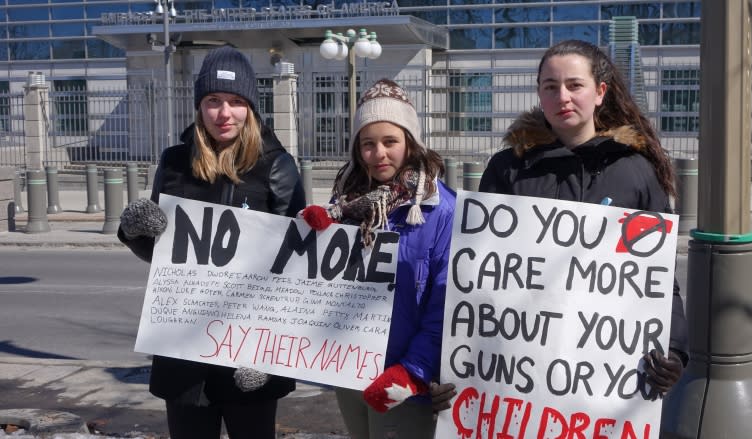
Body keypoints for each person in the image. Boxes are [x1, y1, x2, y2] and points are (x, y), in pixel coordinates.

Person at [432, 39, 688, 409]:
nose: (562, 97)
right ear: (539, 94)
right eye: (550, 87)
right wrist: (450, 360)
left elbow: (659, 280)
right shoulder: (507, 168)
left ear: (600, 93)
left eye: (574, 85)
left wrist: (674, 351)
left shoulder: (636, 172)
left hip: (602, 378)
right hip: (519, 370)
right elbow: (474, 275)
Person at [117, 45, 305, 439]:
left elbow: (298, 269)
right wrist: (136, 232)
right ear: (199, 106)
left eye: (236, 102)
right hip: (184, 347)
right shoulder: (173, 162)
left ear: (251, 107)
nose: (224, 113)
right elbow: (164, 256)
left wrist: (269, 353)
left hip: (249, 354)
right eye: (214, 100)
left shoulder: (277, 166)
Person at [300, 78, 456, 438]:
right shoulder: (347, 203)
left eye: (390, 141)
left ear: (410, 143)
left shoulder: (439, 208)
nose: (379, 153)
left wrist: (413, 371)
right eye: (368, 144)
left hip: (404, 381)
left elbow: (444, 299)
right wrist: (308, 235)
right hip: (350, 369)